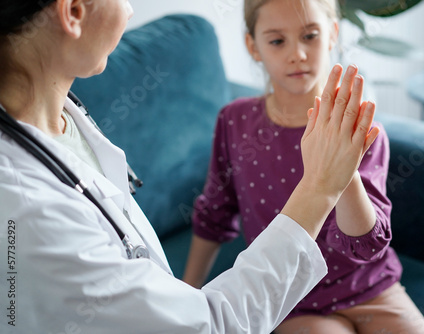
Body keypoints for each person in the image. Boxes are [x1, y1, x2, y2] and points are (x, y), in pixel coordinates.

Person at [0, 1, 379, 333]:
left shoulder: (64, 120)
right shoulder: (27, 211)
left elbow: (371, 240)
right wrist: (320, 186)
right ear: (74, 12)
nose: (131, 9)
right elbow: (211, 324)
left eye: (309, 35)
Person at [183, 0, 424, 333]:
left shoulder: (361, 131)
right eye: (277, 41)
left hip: (369, 288)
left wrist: (343, 165)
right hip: (289, 296)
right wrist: (186, 298)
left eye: (310, 36)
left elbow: (366, 243)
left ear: (332, 34)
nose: (297, 53)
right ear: (252, 46)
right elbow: (214, 214)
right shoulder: (235, 122)